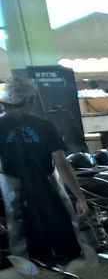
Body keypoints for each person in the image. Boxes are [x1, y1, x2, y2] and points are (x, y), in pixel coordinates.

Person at [0, 77, 89, 264]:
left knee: (25, 253)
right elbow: (61, 164)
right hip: (48, 193)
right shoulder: (44, 125)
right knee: (66, 249)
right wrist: (80, 198)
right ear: (31, 100)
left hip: (12, 197)